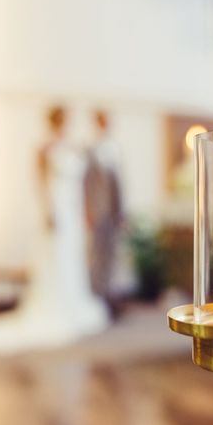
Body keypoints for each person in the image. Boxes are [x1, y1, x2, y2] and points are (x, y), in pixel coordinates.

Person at [0, 106, 109, 354]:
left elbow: (82, 182)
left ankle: (72, 304)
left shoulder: (73, 146)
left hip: (71, 210)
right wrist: (49, 210)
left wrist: (84, 211)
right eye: (61, 119)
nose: (64, 123)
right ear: (53, 121)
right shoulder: (44, 148)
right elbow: (40, 182)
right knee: (55, 258)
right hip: (56, 208)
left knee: (71, 259)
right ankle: (53, 307)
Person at [84, 110, 124, 301]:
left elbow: (119, 183)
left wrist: (121, 211)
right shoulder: (91, 148)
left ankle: (108, 295)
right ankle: (96, 295)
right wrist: (88, 210)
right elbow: (87, 185)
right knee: (95, 256)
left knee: (111, 254)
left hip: (114, 211)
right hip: (97, 211)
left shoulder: (115, 147)